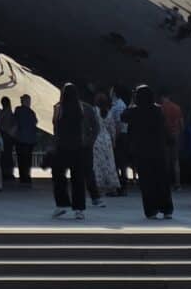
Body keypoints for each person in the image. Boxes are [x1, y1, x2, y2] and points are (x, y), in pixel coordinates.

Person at [124, 86, 173, 219]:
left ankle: (151, 210)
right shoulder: (157, 110)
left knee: (147, 182)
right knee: (162, 180)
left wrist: (132, 103)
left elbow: (123, 117)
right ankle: (167, 208)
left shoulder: (134, 111)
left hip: (142, 151)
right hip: (158, 150)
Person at [48, 82, 90, 220]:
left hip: (62, 147)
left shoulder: (59, 108)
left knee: (59, 177)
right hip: (77, 147)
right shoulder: (80, 107)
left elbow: (55, 125)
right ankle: (79, 209)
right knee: (78, 179)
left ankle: (61, 204)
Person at [89, 85, 120, 201]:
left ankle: (99, 187)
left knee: (97, 164)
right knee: (110, 164)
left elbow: (90, 127)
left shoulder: (94, 111)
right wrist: (114, 141)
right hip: (107, 139)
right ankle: (112, 187)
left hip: (97, 140)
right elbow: (113, 128)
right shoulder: (110, 113)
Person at [13, 94, 40, 186]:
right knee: (27, 158)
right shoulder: (31, 112)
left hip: (21, 139)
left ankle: (23, 176)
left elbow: (15, 122)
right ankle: (27, 176)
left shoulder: (18, 110)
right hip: (29, 139)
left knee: (22, 158)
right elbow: (35, 123)